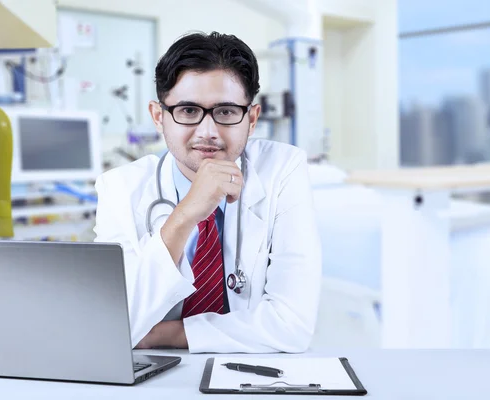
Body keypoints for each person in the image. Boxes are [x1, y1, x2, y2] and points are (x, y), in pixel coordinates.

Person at [94, 31, 321, 353]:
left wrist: (163, 335)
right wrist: (186, 213)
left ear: (252, 119)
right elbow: (112, 323)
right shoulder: (119, 188)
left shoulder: (282, 170)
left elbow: (291, 325)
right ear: (159, 117)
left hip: (252, 372)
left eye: (226, 112)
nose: (208, 132)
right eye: (188, 111)